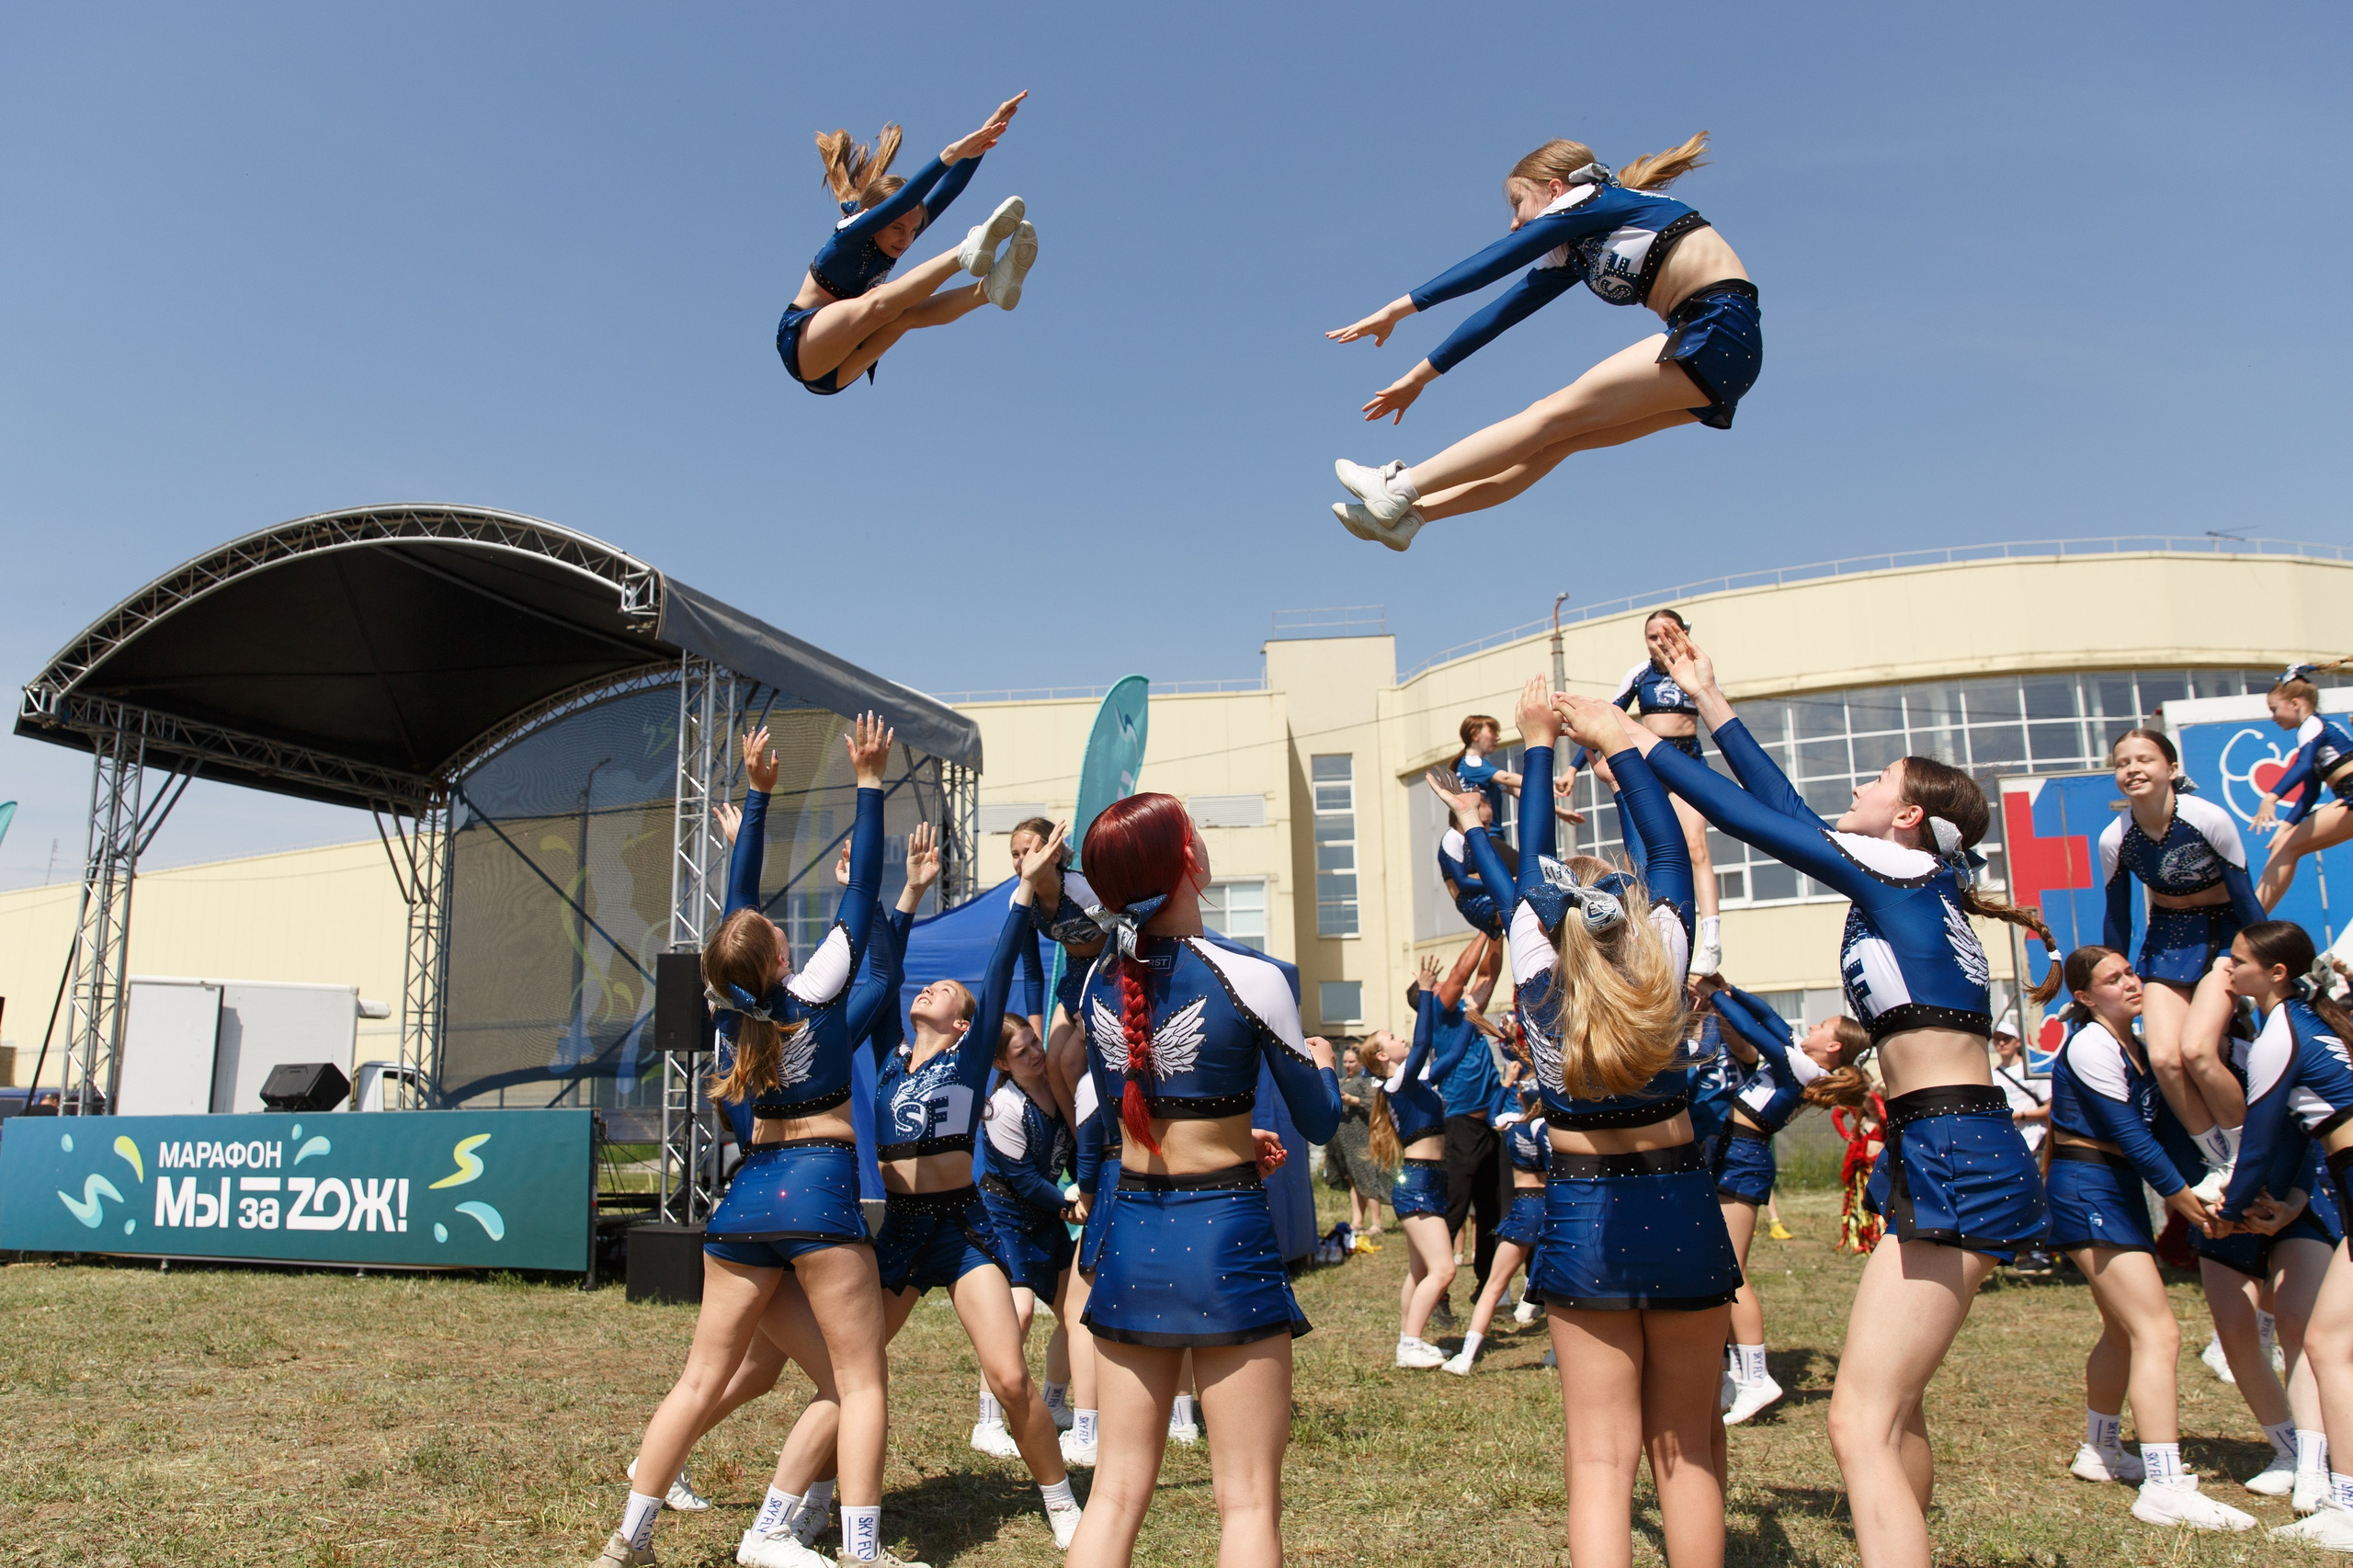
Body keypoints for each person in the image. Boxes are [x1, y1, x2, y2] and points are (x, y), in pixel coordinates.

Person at [1627, 620, 2063, 1567]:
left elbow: (1754, 820)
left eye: (1875, 779)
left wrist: (1637, 744)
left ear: (1907, 817)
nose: (1859, 785)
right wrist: (1709, 700)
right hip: (1954, 1144)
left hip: (1954, 1146)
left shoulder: (1901, 871)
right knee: (1891, 1409)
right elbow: (1783, 807)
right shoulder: (1912, 878)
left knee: (1857, 1423)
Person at [595, 718, 904, 1568]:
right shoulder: (817, 988)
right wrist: (869, 781)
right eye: (771, 929)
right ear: (776, 952)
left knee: (700, 1381)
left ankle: (630, 1538)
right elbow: (862, 885)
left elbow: (733, 917)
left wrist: (760, 797)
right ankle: (864, 1553)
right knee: (860, 1379)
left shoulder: (732, 1005)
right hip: (816, 1191)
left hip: (744, 1199)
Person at [1443, 676, 1736, 1568]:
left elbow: (1531, 864)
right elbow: (1670, 851)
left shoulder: (1535, 963)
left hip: (1583, 1209)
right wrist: (1615, 741)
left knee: (1600, 1458)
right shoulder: (1664, 954)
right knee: (1688, 1450)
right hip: (1684, 1201)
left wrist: (1534, 741)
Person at [1063, 792, 1342, 1567]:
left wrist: (1224, 1133)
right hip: (1223, 1235)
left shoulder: (1095, 987)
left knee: (1116, 1492)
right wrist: (1322, 1062)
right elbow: (1319, 1123)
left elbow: (1136, 1107)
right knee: (1247, 1500)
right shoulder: (1250, 974)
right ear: (1186, 860)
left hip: (1131, 1232)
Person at [1325, 134, 1757, 551]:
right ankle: (1414, 516)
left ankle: (1396, 488)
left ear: (1555, 189)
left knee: (1545, 416)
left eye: (1518, 204)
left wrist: (1394, 310)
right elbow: (1498, 314)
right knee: (1551, 444)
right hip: (1721, 349)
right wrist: (1418, 378)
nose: (1514, 221)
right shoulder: (1579, 245)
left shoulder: (1595, 200)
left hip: (1715, 324)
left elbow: (1491, 264)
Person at [2042, 946, 2255, 1529]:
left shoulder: (2132, 1045)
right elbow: (2130, 1135)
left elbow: (2158, 1132)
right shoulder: (2089, 1043)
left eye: (2131, 972)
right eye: (2114, 979)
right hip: (2088, 1188)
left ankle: (2101, 1449)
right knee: (2157, 1331)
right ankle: (2165, 1485)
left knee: (2123, 1328)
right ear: (2084, 997)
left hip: (2113, 1190)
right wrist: (2184, 1198)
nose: (2132, 983)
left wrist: (2216, 1180)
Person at [2210, 922, 2353, 1547]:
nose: (2227, 970)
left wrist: (2230, 1210)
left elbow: (2263, 1138)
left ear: (2275, 975)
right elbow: (2300, 1134)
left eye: (2237, 962)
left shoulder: (2281, 1034)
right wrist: (2289, 1199)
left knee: (2327, 1344)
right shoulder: (2311, 1025)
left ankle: (2347, 1507)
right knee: (2328, 1340)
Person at [2177, 953, 2337, 1506]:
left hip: (2291, 1198)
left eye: (2237, 970)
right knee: (2238, 1335)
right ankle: (2289, 1450)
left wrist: (2291, 1202)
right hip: (2229, 1204)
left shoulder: (2268, 1046)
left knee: (2302, 1327)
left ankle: (2318, 1466)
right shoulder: (2169, 1066)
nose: (2227, 978)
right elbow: (2190, 1054)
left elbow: (2295, 1135)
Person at [777, 93, 1036, 396]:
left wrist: (986, 134)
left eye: (913, 231)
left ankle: (990, 290)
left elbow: (947, 192)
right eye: (898, 227)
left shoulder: (896, 233)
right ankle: (962, 253)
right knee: (880, 303)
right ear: (876, 218)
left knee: (903, 317)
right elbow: (904, 200)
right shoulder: (850, 235)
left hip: (837, 373)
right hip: (803, 346)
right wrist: (949, 155)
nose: (906, 238)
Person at [2100, 727, 2266, 1203]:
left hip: (2227, 931)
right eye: (2122, 762)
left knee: (2197, 1050)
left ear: (2171, 769)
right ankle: (2219, 1161)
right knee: (2165, 1059)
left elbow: (2245, 897)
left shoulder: (2206, 817)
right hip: (2168, 935)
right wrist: (2115, 971)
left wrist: (2264, 962)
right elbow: (2118, 915)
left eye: (2145, 759)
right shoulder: (2115, 837)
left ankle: (2247, 1156)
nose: (2132, 768)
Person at [1700, 976, 1872, 1426]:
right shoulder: (1803, 1058)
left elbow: (1756, 1033)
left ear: (1833, 1048)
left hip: (1745, 1158)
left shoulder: (1804, 1069)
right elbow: (1770, 1018)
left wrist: (1714, 996)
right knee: (1719, 1271)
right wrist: (1729, 987)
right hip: (1732, 1152)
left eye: (1823, 1026)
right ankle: (1731, 1376)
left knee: (1730, 1274)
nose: (1812, 1026)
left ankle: (1756, 1380)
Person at [1559, 610, 1724, 975]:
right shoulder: (1638, 674)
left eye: (1667, 634)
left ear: (1682, 633)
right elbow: (1606, 718)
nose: (1659, 642)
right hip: (1650, 764)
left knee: (1695, 846)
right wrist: (1573, 768)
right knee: (1644, 851)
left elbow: (1716, 711)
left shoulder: (1694, 668)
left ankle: (1710, 936)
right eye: (1651, 636)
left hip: (1686, 761)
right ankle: (1643, 922)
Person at [1369, 942, 1488, 1369]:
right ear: (1383, 1057)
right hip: (1417, 1181)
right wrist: (1423, 996)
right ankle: (1410, 1344)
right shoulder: (1397, 1084)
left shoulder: (1416, 1081)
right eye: (1391, 1038)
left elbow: (1450, 1055)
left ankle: (1409, 1338)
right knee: (1444, 1270)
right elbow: (1422, 1043)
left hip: (1427, 1179)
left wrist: (1473, 1019)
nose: (1402, 1039)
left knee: (1420, 1272)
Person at [978, 1007, 1083, 1461]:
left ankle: (1055, 1402)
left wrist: (1087, 1189)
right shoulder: (1003, 1106)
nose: (1037, 1054)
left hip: (1045, 1217)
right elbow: (1021, 1180)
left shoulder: (1056, 1087)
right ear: (1003, 1064)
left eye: (1035, 1043)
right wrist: (1066, 1205)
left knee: (1075, 1314)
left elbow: (1076, 1147)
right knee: (1015, 1316)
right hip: (1006, 1217)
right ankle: (988, 1421)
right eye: (1023, 1052)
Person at [1443, 1079, 1549, 1375]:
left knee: (1493, 1285)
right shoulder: (1551, 1130)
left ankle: (1466, 1356)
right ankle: (1555, 1350)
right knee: (1554, 1285)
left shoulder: (1511, 1126)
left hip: (1523, 1207)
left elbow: (1492, 1117)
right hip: (1549, 1206)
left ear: (1521, 1099)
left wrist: (1502, 1087)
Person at [2249, 665, 2353, 909]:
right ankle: (2251, 920)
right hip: (2347, 794)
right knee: (2285, 847)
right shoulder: (2319, 731)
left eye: (2274, 709)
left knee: (2287, 849)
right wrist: (2283, 829)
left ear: (2295, 704)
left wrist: (2271, 798)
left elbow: (2304, 765)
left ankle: (2250, 924)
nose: (2272, 717)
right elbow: (2310, 793)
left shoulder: (2312, 725)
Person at [1329, 1043, 1389, 1246]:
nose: (1347, 1065)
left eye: (1352, 1061)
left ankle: (1377, 1223)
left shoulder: (1366, 1081)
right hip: (1344, 1140)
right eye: (1345, 1061)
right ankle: (1358, 1221)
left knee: (1367, 1178)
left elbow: (1375, 1103)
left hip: (1361, 1137)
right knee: (1354, 1180)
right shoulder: (1343, 1080)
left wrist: (1352, 1100)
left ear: (1361, 1062)